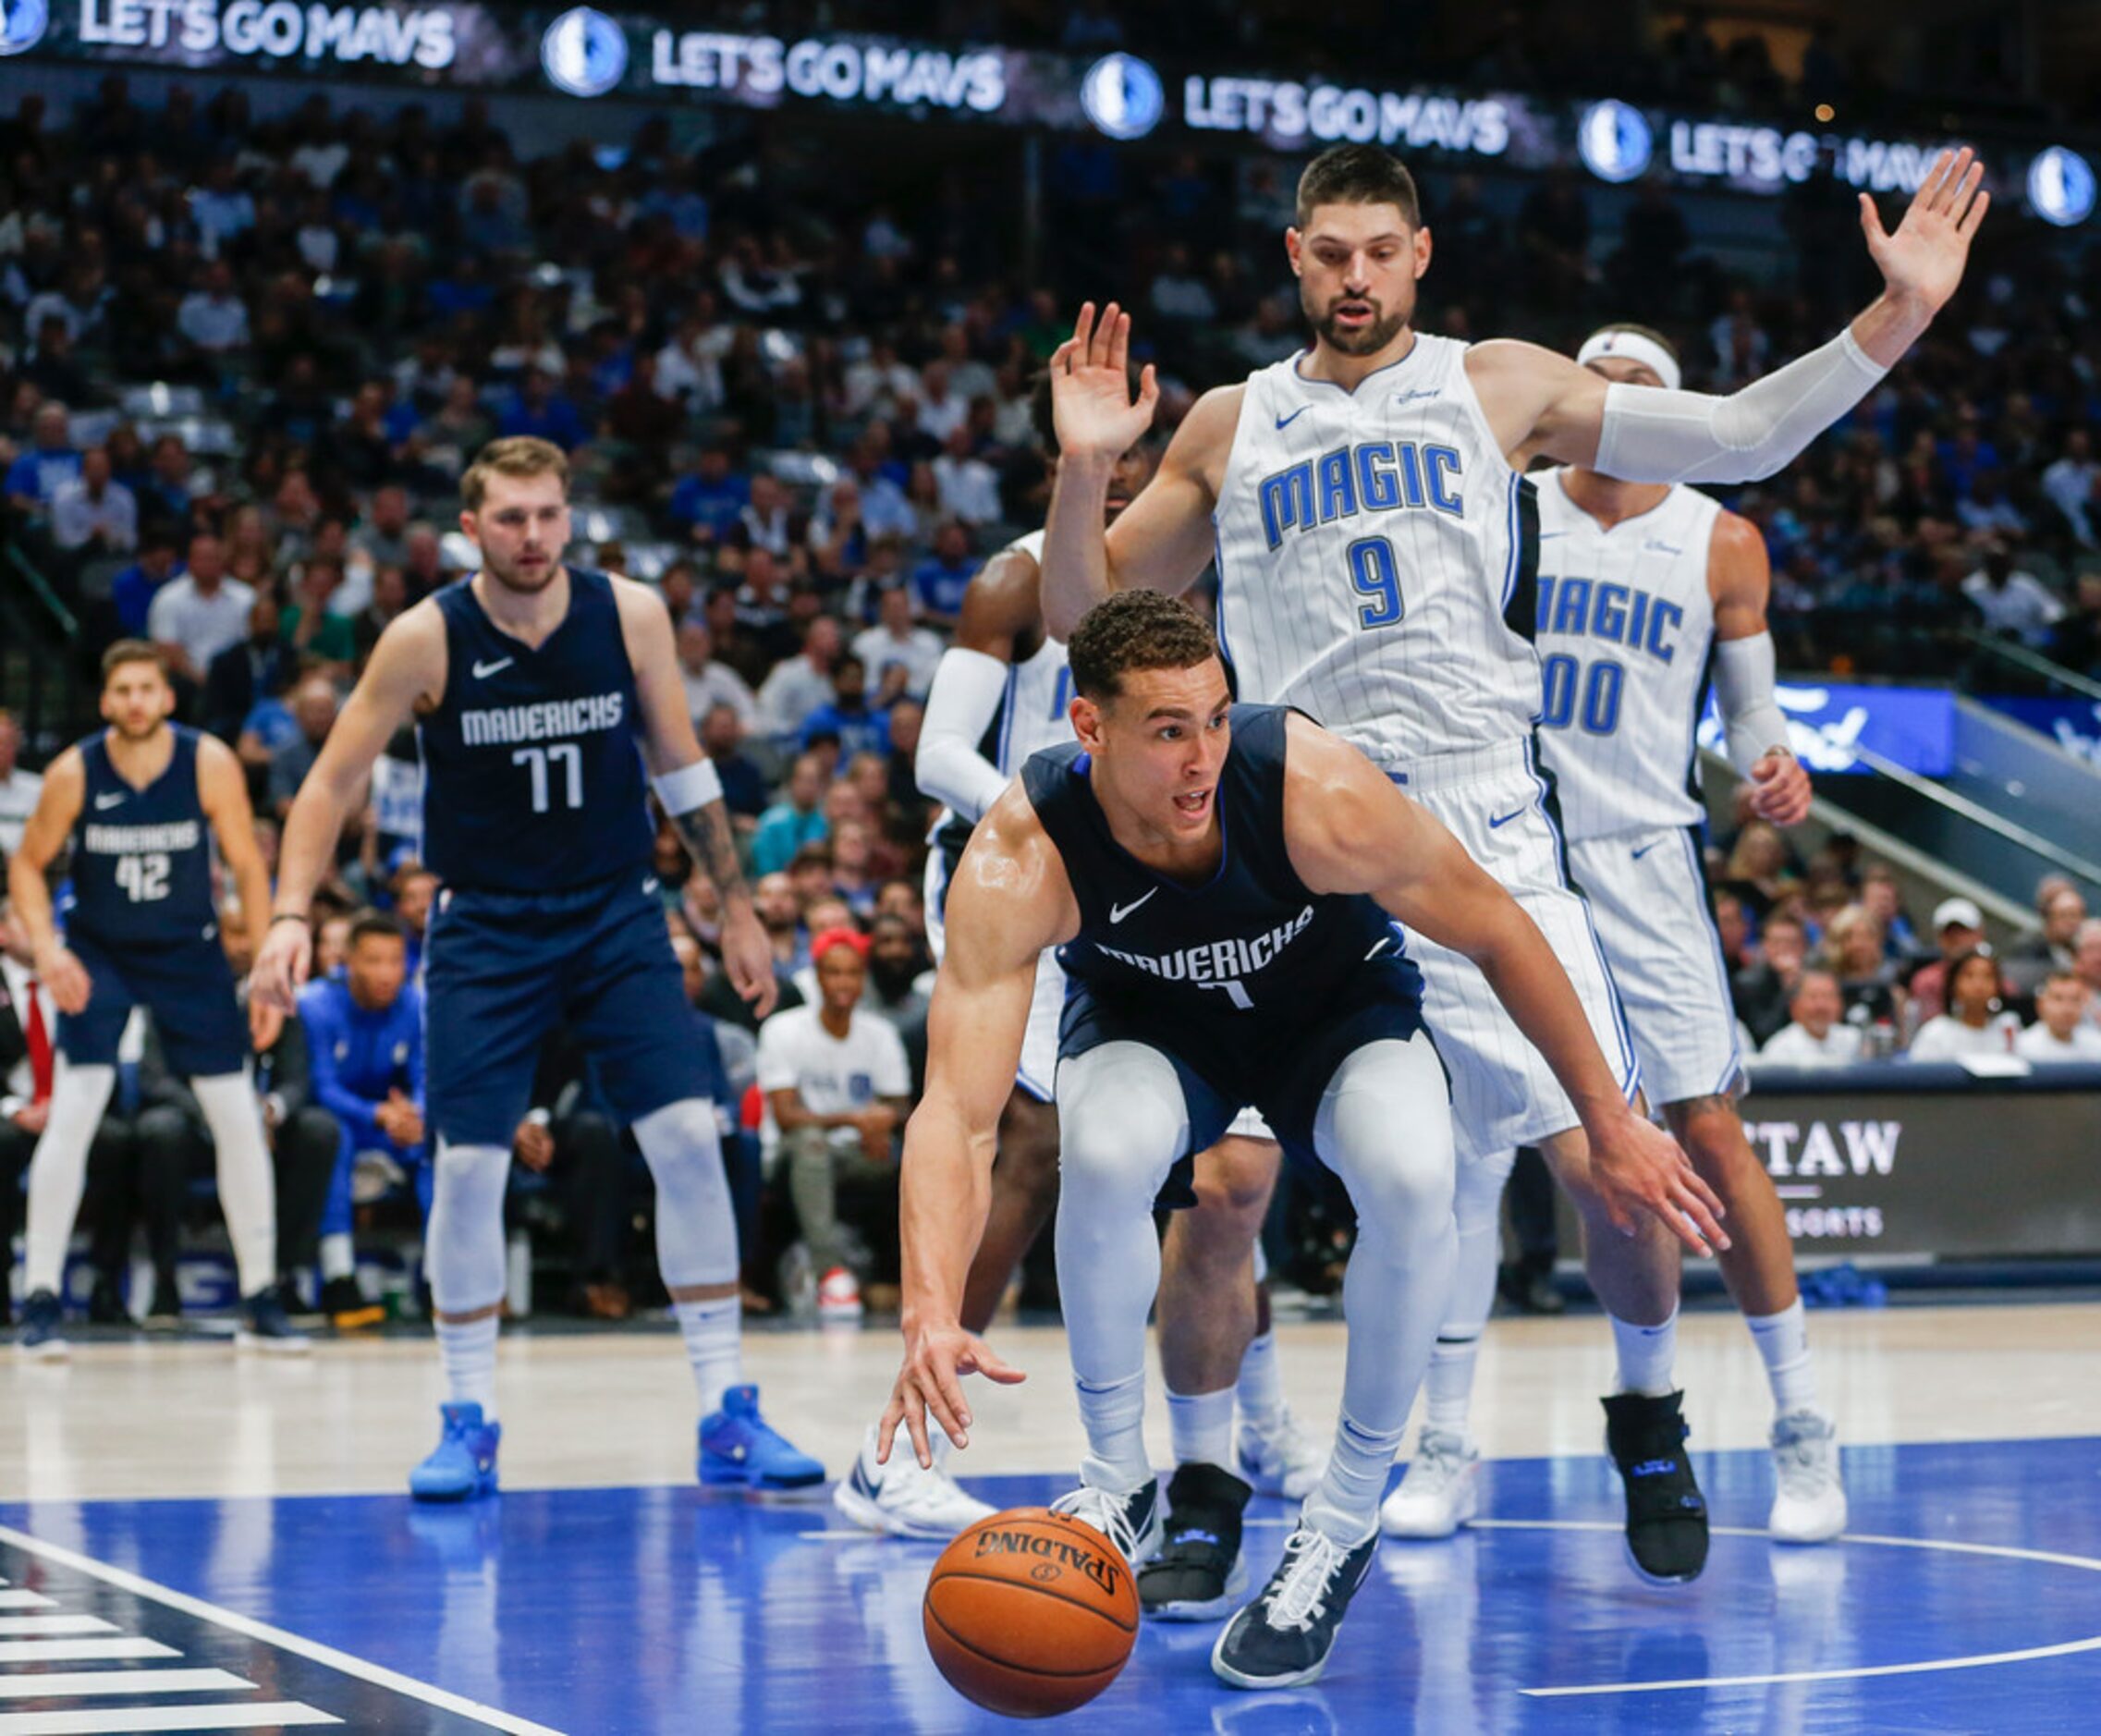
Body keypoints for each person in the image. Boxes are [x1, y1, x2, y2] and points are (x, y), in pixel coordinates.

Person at [1037, 144, 1982, 1582]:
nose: (1353, 274)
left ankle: (1649, 1401)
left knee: (1613, 1167)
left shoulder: (1504, 384)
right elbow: (1081, 619)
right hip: (1290, 830)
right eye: (1329, 250)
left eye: (1379, 250)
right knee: (1221, 1189)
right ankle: (1209, 1481)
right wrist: (1085, 465)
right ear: (1294, 256)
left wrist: (1899, 313)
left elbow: (1733, 435)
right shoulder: (1231, 425)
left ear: (1419, 256)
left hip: (1475, 818)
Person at [878, 594, 1721, 1690]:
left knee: (1416, 1175)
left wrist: (1608, 1121)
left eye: (1216, 719)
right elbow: (955, 1112)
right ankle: (1112, 1480)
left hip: (1332, 1016)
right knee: (1095, 1149)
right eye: (1167, 730)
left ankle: (1342, 1517)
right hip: (1152, 1029)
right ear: (1088, 728)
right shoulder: (1019, 850)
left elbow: (1499, 928)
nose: (1200, 757)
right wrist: (925, 1307)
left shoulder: (1312, 790)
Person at [252, 436, 821, 1500]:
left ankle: (725, 1410)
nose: (531, 536)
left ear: (570, 517)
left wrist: (735, 910)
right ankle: (465, 1416)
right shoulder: (426, 638)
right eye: (509, 518)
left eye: (548, 515)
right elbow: (328, 786)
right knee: (467, 1169)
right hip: (487, 929)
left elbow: (681, 766)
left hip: (616, 916)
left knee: (693, 1140)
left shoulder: (630, 613)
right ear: (469, 528)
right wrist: (289, 914)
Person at [1381, 323, 1845, 1548]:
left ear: (1675, 404)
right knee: (1471, 1148)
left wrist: (1772, 768)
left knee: (1704, 1129)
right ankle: (1443, 1435)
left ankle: (1799, 1418)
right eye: (1604, 383)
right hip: (1502, 848)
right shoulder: (1504, 499)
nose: (1621, 402)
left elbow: (1751, 719)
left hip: (1641, 857)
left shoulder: (1720, 539)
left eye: (1644, 386)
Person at [8, 642, 301, 1355]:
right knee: (75, 1110)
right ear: (105, 701)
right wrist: (48, 951)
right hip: (101, 952)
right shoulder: (76, 771)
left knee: (235, 1115)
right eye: (122, 691)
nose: (135, 701)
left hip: (188, 952)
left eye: (147, 688)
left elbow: (244, 865)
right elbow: (26, 864)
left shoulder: (208, 762)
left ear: (168, 698)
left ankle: (260, 1295)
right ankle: (40, 1298)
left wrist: (266, 961)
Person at [756, 928, 913, 1319]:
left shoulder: (880, 1034)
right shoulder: (783, 1029)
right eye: (833, 972)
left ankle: (915, 1280)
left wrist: (883, 1121)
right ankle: (832, 1275)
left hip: (860, 1152)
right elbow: (786, 1116)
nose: (843, 982)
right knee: (812, 1143)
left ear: (863, 978)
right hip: (792, 1156)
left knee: (921, 1154)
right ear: (817, 977)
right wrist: (856, 1119)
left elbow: (900, 1105)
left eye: (852, 973)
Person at [297, 911, 428, 1317]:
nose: (388, 972)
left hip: (393, 1127)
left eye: (396, 960)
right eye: (374, 960)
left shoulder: (418, 1004)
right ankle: (339, 1280)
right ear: (348, 961)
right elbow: (321, 1086)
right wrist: (377, 1114)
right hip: (343, 1123)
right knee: (333, 1135)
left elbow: (426, 1077)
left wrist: (414, 1113)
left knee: (437, 1143)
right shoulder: (314, 1005)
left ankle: (439, 1278)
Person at [1908, 949, 2021, 1060]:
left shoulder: (2008, 1028)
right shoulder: (1935, 1032)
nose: (1979, 984)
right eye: (1969, 976)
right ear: (1953, 986)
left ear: (1998, 987)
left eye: (1988, 976)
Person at [1754, 970, 1866, 1067]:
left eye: (1828, 996)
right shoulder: (1779, 1049)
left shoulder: (1854, 1040)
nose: (1821, 1005)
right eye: (1813, 997)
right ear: (1794, 1006)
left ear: (1840, 1004)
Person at [2014, 971, 2101, 1061]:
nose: (2067, 1009)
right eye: (2058, 999)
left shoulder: (2097, 1045)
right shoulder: (2023, 1047)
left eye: (2075, 999)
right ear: (2040, 1005)